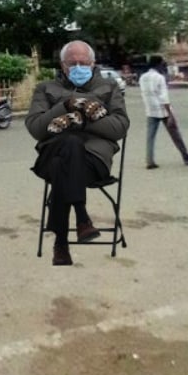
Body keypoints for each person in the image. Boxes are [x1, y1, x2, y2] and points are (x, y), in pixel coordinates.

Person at [26, 40, 130, 267]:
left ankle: (61, 243)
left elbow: (119, 127)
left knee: (64, 156)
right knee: (68, 147)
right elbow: (35, 128)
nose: (79, 66)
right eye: (73, 63)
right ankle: (82, 218)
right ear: (63, 65)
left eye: (84, 62)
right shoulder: (45, 88)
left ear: (93, 63)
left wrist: (80, 121)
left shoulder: (109, 87)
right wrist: (66, 106)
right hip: (51, 154)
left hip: (93, 161)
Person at [139, 56, 188, 169]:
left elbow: (144, 94)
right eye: (163, 64)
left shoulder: (142, 77)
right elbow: (164, 98)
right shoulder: (159, 77)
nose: (164, 66)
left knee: (150, 137)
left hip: (150, 110)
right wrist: (171, 115)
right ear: (158, 65)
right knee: (175, 135)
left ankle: (149, 161)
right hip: (163, 110)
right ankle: (186, 157)